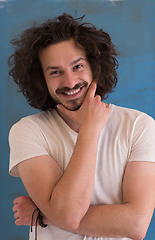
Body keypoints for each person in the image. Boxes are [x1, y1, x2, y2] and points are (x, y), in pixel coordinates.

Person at [8, 13, 155, 240]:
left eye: (77, 66)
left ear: (95, 67)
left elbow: (135, 224)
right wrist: (90, 129)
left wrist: (43, 216)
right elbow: (68, 215)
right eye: (55, 72)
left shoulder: (139, 125)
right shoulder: (27, 131)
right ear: (41, 79)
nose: (69, 82)